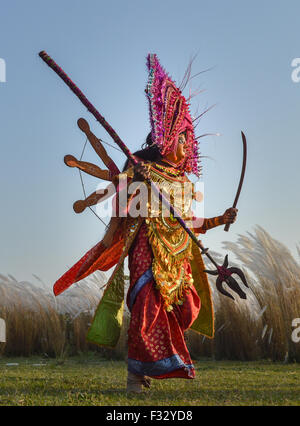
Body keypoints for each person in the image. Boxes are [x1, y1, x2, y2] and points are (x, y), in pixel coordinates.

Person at [53, 54, 237, 393]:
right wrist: (133, 176)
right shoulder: (141, 171)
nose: (185, 145)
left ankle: (150, 367)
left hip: (177, 259)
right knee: (147, 312)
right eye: (180, 138)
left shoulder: (184, 184)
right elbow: (127, 205)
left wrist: (217, 220)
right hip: (146, 252)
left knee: (187, 307)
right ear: (166, 138)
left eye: (187, 140)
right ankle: (135, 375)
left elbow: (187, 222)